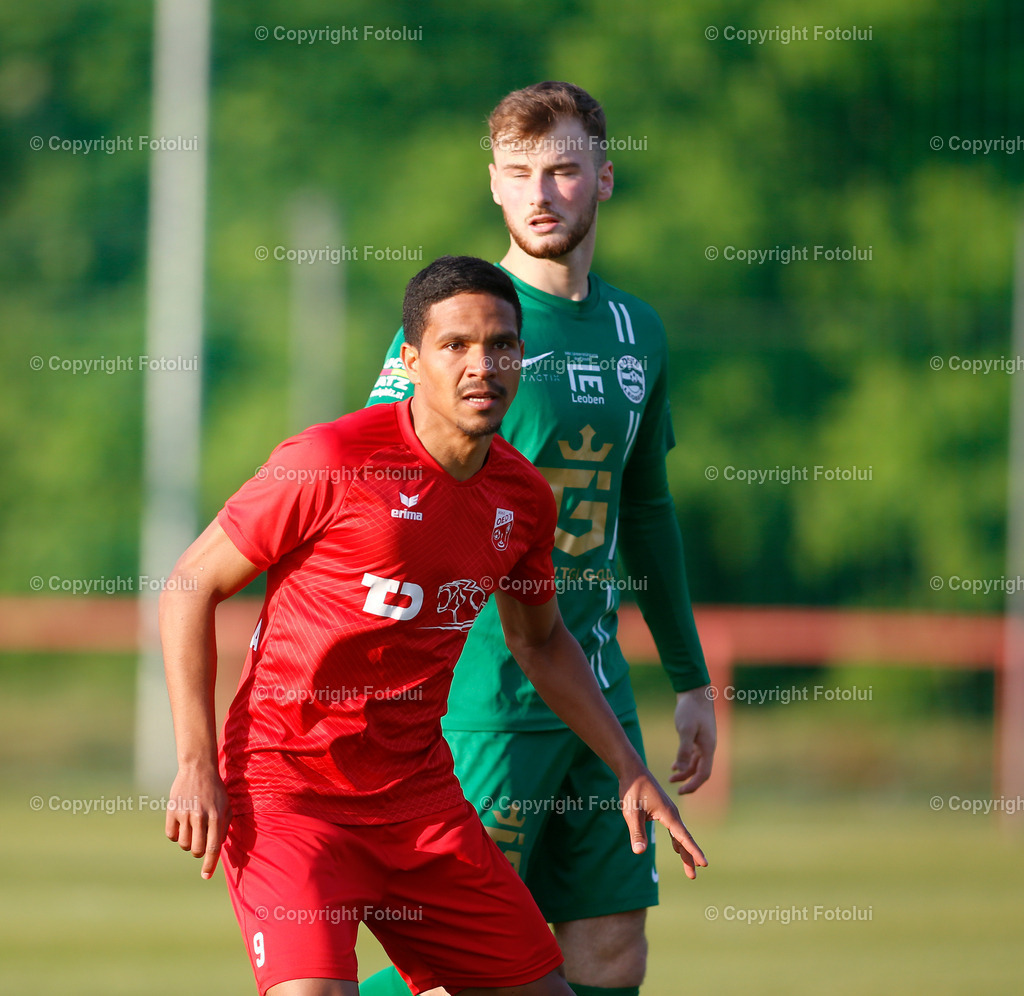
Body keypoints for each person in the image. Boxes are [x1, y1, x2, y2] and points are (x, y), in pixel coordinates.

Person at [161, 255, 706, 996]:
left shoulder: (520, 497)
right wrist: (196, 761)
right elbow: (189, 586)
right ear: (411, 361)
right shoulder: (330, 459)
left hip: (418, 803)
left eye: (502, 346)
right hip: (290, 794)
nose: (483, 366)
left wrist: (627, 766)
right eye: (456, 347)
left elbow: (541, 640)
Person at [365, 84, 716, 996]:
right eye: (519, 173)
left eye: (562, 170)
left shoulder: (640, 329)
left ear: (603, 176)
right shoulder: (466, 325)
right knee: (454, 971)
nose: (541, 193)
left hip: (594, 688)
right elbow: (377, 479)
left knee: (609, 953)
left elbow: (646, 512)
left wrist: (689, 680)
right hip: (480, 689)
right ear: (492, 184)